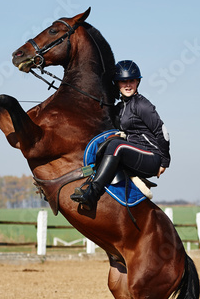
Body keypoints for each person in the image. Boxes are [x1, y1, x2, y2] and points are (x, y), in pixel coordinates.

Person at [70, 60, 170, 211]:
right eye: (123, 82)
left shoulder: (142, 105)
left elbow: (162, 131)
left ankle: (93, 193)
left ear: (137, 82)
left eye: (131, 81)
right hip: (134, 154)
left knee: (117, 146)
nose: (128, 85)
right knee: (103, 145)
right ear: (117, 84)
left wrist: (164, 162)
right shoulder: (120, 108)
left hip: (151, 156)